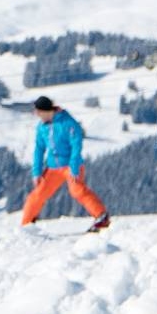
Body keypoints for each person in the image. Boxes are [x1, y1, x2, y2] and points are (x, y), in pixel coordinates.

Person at [22, 96, 110, 232]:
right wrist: (37, 172)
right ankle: (26, 225)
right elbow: (39, 149)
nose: (37, 115)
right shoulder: (41, 127)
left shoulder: (68, 123)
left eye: (39, 112)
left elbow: (76, 145)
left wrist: (74, 167)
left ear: (47, 110)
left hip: (70, 166)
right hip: (53, 168)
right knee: (37, 194)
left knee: (77, 190)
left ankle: (101, 217)